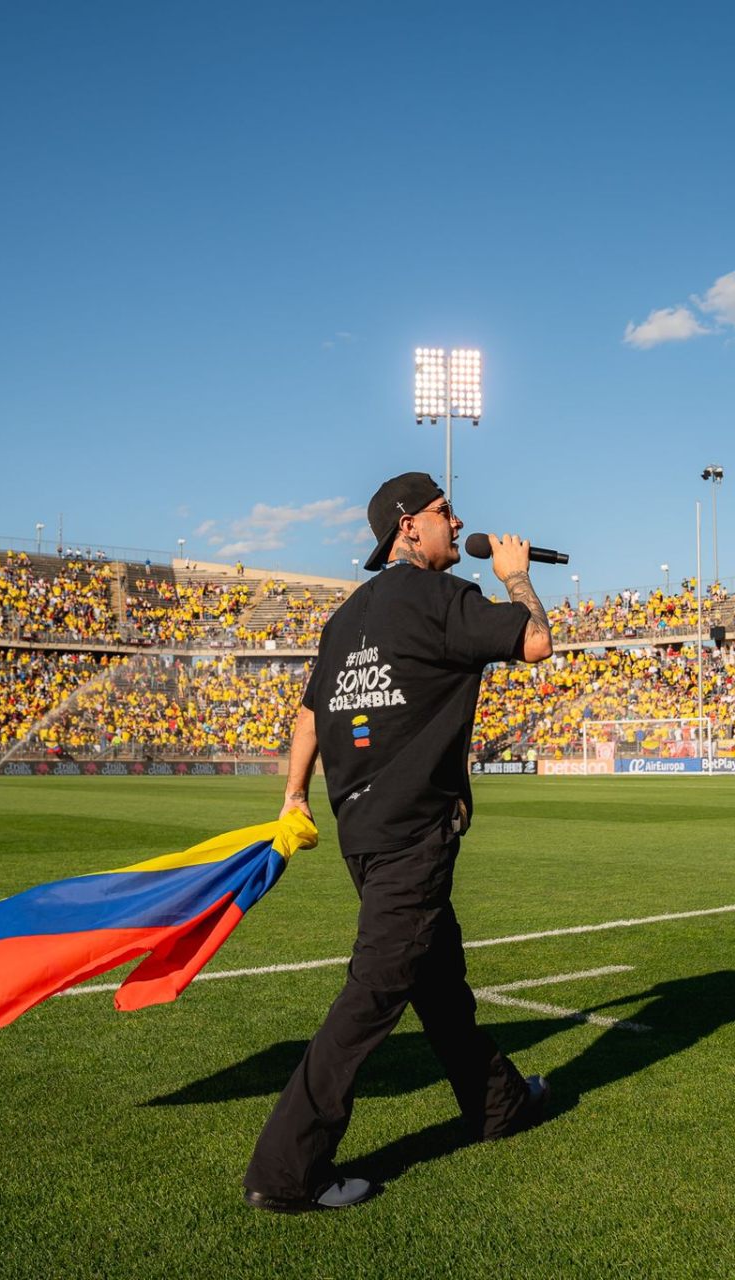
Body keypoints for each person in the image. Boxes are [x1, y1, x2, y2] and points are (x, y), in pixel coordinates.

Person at [242, 473, 554, 1214]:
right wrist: (516, 579)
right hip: (414, 835)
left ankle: (498, 1106)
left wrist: (293, 796)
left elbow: (310, 717)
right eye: (447, 512)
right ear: (408, 526)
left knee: (439, 986)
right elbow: (536, 642)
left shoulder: (346, 617)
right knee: (373, 996)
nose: (460, 521)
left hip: (362, 834)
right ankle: (286, 1172)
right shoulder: (446, 600)